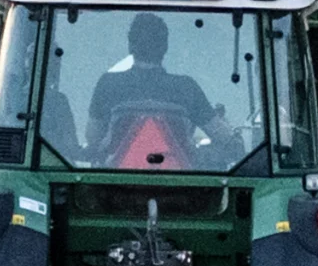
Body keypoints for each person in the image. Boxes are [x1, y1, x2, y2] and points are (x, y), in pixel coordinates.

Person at [88, 12, 228, 166]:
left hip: (112, 185)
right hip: (182, 186)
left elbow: (93, 138)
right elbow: (222, 136)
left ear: (130, 45)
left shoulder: (108, 84)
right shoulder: (187, 87)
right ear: (165, 47)